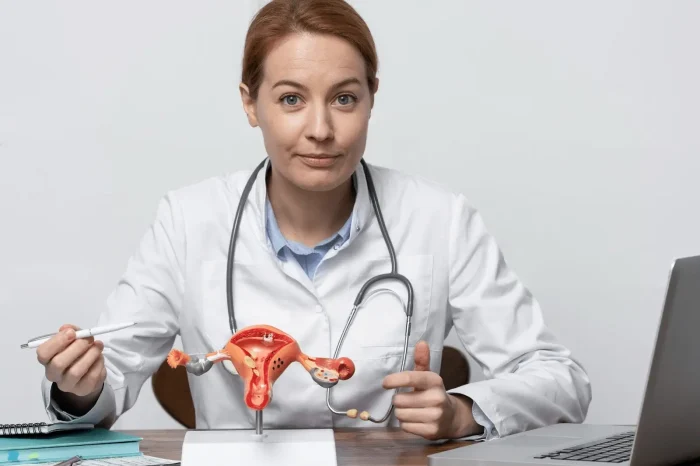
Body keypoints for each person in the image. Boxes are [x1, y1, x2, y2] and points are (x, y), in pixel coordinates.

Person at [35, 0, 591, 441]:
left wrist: (463, 412)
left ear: (372, 98)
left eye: (344, 99)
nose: (321, 129)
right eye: (292, 99)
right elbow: (107, 383)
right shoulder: (188, 221)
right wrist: (78, 387)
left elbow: (561, 379)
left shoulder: (438, 218)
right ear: (251, 105)